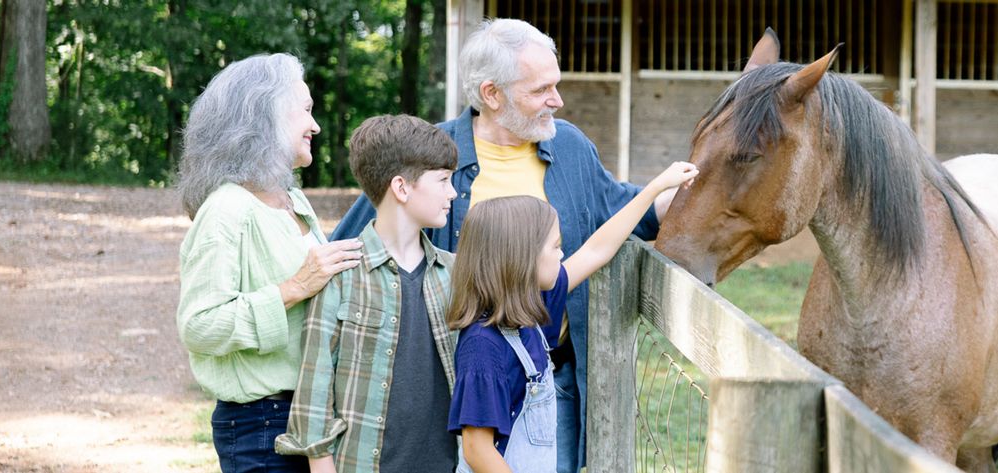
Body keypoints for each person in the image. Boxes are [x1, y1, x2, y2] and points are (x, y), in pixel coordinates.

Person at [328, 19, 674, 470]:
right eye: (541, 89)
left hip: (545, 372)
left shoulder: (568, 145)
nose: (558, 100)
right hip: (456, 379)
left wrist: (698, 191)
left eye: (557, 84)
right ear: (491, 94)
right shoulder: (430, 153)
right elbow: (356, 246)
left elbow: (620, 211)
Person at [175, 53, 364, 473]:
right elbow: (199, 325)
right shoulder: (226, 210)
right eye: (307, 111)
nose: (315, 125)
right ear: (268, 117)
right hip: (260, 426)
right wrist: (294, 288)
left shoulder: (292, 200)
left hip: (309, 415)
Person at [447, 162, 697, 473]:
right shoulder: (483, 348)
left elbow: (597, 249)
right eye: (555, 247)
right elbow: (477, 449)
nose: (562, 254)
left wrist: (654, 189)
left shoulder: (532, 310)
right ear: (521, 260)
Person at [274, 115, 461, 472]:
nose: (452, 192)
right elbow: (314, 391)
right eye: (443, 180)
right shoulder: (340, 273)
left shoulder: (453, 273)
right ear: (402, 188)